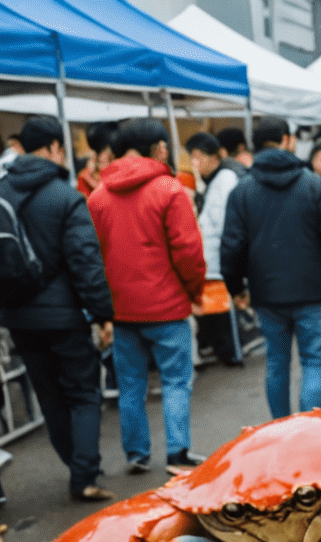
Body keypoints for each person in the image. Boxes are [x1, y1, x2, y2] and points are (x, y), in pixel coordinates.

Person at [0, 115, 114, 501]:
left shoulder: (2, 192)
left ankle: (76, 465)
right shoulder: (65, 197)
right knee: (83, 393)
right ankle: (84, 476)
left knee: (49, 396)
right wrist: (101, 314)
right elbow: (85, 263)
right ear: (53, 147)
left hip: (17, 315)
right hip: (64, 315)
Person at [88, 116, 205, 472]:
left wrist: (101, 310)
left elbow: (92, 256)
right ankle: (177, 454)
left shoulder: (97, 197)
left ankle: (136, 454)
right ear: (160, 148)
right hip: (167, 306)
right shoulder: (169, 190)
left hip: (121, 309)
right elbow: (188, 251)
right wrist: (194, 292)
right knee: (175, 382)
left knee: (130, 385)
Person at [220, 115, 321, 419]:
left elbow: (232, 245)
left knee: (276, 363)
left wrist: (235, 287)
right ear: (287, 140)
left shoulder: (242, 190)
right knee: (313, 361)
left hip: (266, 291)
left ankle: (280, 427)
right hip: (311, 286)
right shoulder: (314, 184)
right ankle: (309, 426)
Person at [185, 131, 244, 365]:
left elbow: (224, 224)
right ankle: (225, 350)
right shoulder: (216, 181)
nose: (194, 164)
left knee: (222, 312)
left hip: (219, 259)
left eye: (195, 158)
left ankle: (230, 353)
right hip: (214, 260)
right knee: (217, 312)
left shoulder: (225, 179)